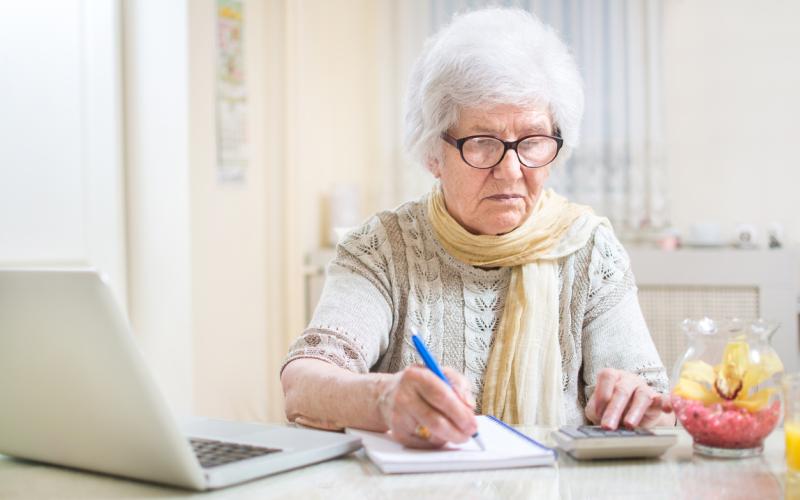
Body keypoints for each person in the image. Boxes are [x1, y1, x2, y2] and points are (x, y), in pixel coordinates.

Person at [280, 7, 674, 449]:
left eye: (532, 142)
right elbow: (303, 384)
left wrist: (632, 401)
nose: (510, 171)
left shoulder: (589, 250)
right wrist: (385, 397)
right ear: (434, 153)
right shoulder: (381, 250)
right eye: (483, 143)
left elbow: (653, 402)